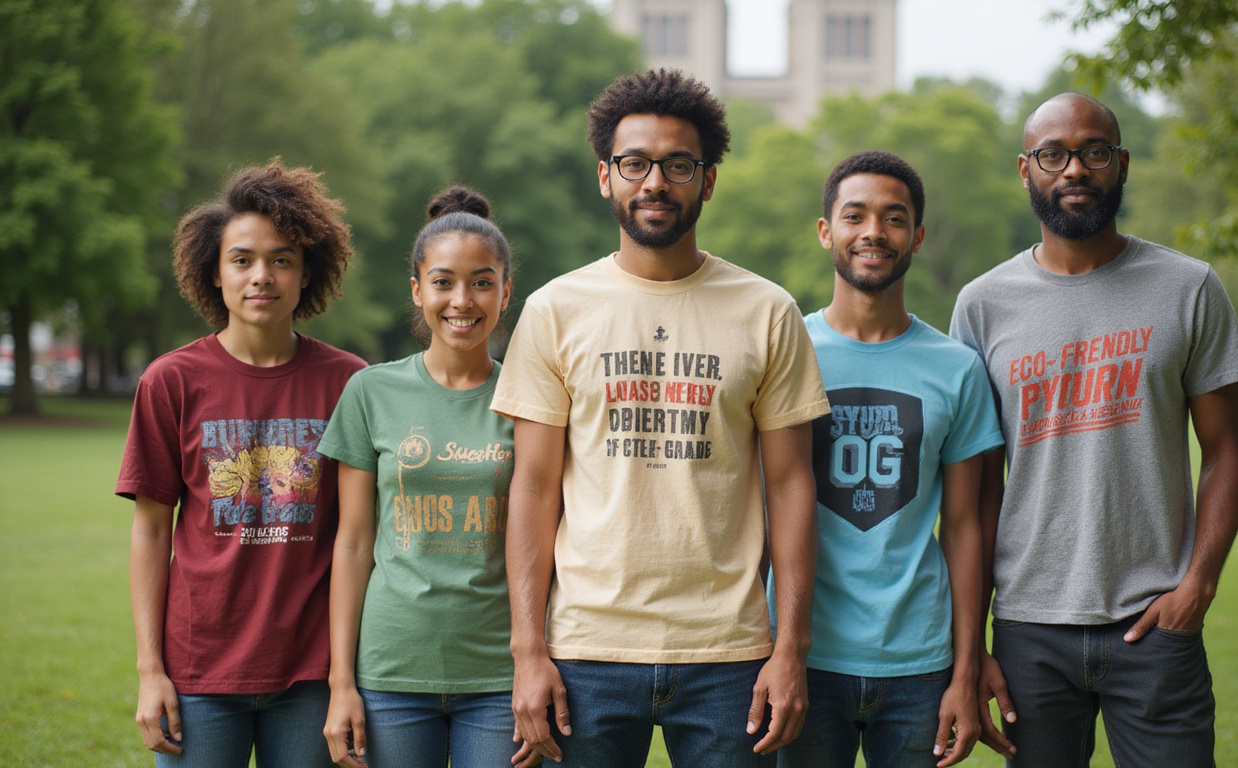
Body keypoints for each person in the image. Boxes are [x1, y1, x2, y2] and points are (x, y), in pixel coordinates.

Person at [491, 67, 831, 767]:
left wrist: (790, 648)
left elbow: (794, 486)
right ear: (605, 177)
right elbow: (532, 486)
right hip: (585, 649)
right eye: (634, 163)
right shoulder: (556, 310)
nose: (654, 183)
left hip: (730, 654)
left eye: (677, 165)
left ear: (707, 180)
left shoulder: (767, 311)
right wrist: (527, 651)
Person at [949, 93, 1238, 767]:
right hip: (1030, 629)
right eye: (1053, 155)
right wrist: (972, 646)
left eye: (1093, 152)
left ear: (1120, 164)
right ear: (1025, 170)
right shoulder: (982, 305)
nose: (1074, 170)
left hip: (1155, 625)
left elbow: (1225, 451)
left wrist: (1198, 585)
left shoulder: (1188, 287)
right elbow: (971, 490)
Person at [117, 159, 366, 767]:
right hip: (198, 674)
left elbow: (359, 537)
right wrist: (151, 671)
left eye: (282, 259)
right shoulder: (170, 381)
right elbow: (151, 530)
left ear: (308, 272)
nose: (262, 276)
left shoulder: (350, 383)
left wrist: (342, 680)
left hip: (310, 675)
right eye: (243, 260)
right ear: (216, 272)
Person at [769, 151, 1001, 768]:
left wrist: (966, 666)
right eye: (855, 215)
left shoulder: (958, 368)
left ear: (917, 237)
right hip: (802, 658)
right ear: (827, 232)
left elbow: (964, 525)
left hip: (919, 663)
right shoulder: (783, 348)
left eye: (894, 218)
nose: (874, 231)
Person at [317, 186, 537, 768]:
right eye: (443, 281)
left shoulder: (531, 396)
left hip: (498, 674)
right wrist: (342, 683)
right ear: (417, 291)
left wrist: (537, 663)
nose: (462, 300)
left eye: (482, 282)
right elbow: (354, 541)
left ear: (505, 291)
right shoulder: (370, 391)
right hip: (391, 671)